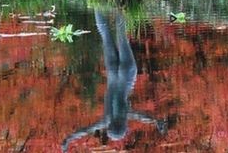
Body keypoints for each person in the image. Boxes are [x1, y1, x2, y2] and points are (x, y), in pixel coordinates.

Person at [62, 8, 166, 151]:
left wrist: (156, 121)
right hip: (112, 73)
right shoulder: (106, 120)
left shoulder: (126, 114)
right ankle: (96, 2)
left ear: (123, 126)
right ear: (111, 127)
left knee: (121, 34)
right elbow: (87, 130)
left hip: (127, 74)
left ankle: (120, 1)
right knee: (105, 33)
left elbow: (143, 117)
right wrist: (69, 139)